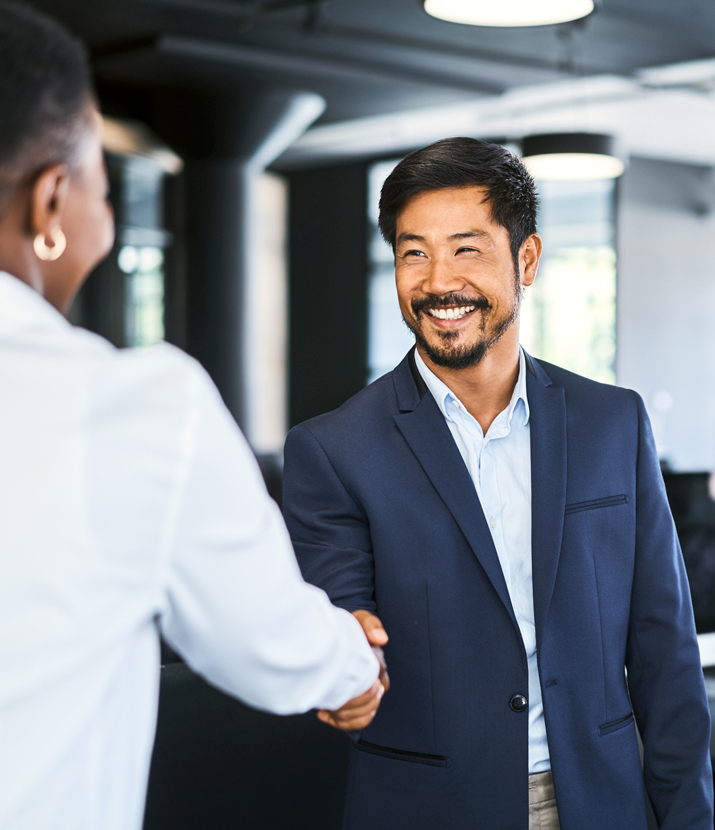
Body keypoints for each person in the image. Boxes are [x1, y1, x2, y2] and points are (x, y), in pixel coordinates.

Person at [0, 4, 386, 829]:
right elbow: (270, 646)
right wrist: (353, 662)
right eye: (102, 180)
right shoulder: (128, 409)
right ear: (50, 203)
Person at [283, 137, 713, 829]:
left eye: (466, 248)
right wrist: (342, 666)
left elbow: (664, 652)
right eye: (412, 251)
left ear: (527, 259)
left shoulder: (612, 424)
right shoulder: (332, 451)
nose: (436, 281)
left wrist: (687, 818)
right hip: (428, 810)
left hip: (600, 803)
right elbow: (339, 629)